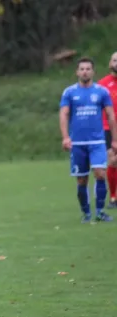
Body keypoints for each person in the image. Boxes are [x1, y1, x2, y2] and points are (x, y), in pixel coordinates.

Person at [59, 57, 117, 223]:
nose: (85, 71)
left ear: (93, 72)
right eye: (82, 69)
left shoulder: (101, 92)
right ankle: (86, 213)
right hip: (78, 143)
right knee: (82, 179)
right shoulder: (69, 92)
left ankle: (99, 212)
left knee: (100, 174)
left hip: (97, 141)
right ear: (77, 72)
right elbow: (64, 114)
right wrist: (65, 137)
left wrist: (114, 140)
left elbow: (111, 116)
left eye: (88, 69)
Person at [98, 52, 117, 208]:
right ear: (110, 63)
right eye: (115, 60)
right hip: (108, 127)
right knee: (113, 160)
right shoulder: (103, 84)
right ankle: (113, 197)